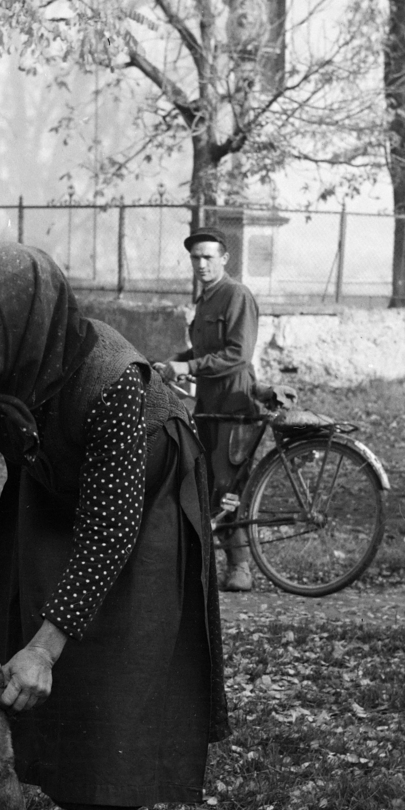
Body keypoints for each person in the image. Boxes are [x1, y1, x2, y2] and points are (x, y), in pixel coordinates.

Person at [0, 243, 228, 810]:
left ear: (28, 316)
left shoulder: (112, 374)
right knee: (33, 626)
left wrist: (47, 645)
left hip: (142, 498)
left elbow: (108, 530)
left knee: (110, 655)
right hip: (52, 482)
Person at [151, 226, 261, 592]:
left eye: (208, 257)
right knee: (207, 482)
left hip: (235, 401)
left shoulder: (236, 295)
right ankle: (218, 566)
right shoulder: (205, 299)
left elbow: (237, 354)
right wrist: (174, 362)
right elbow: (198, 353)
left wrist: (190, 367)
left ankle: (241, 567)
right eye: (195, 258)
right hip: (209, 404)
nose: (200, 264)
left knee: (229, 484)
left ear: (224, 259)